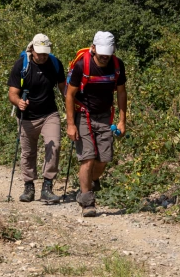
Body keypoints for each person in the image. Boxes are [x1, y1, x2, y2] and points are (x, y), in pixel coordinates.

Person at [65, 31, 127, 217]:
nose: (104, 58)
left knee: (104, 159)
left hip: (105, 116)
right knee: (88, 158)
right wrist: (70, 124)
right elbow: (70, 95)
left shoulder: (117, 65)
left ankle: (89, 181)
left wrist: (123, 121)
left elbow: (121, 93)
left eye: (108, 55)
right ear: (93, 49)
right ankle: (87, 202)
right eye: (101, 55)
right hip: (83, 114)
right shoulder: (82, 65)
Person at [8, 34, 66, 204]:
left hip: (49, 113)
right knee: (28, 153)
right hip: (26, 117)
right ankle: (29, 187)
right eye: (39, 53)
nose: (42, 56)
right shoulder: (22, 64)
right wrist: (19, 102)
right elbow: (12, 93)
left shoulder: (55, 63)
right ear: (32, 49)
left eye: (45, 53)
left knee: (54, 145)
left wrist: (73, 107)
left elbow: (64, 89)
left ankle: (47, 186)